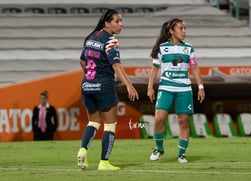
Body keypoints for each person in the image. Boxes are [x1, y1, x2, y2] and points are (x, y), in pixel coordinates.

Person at [77, 9, 139, 171]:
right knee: (110, 125)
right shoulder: (111, 41)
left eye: (121, 21)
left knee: (93, 122)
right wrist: (129, 85)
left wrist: (92, 76)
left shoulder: (91, 38)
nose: (121, 25)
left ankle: (83, 150)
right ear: (107, 23)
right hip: (104, 86)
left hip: (87, 85)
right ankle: (104, 162)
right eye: (117, 21)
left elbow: (82, 61)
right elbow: (116, 66)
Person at [147, 18, 205, 163]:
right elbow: (154, 69)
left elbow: (195, 68)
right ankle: (159, 148)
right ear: (171, 31)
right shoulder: (161, 48)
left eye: (185, 28)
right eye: (181, 28)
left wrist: (201, 87)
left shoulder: (189, 48)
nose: (184, 31)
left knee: (183, 121)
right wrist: (150, 87)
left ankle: (181, 154)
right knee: (159, 118)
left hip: (184, 89)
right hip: (165, 88)